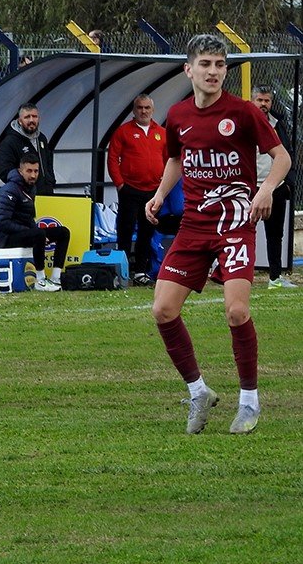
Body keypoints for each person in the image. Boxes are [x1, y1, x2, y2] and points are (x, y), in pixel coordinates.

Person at [145, 34, 290, 436]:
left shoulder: (243, 112)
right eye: (205, 64)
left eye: (220, 65)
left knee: (236, 311)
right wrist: (159, 194)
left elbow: (282, 157)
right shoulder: (177, 115)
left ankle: (249, 401)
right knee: (162, 310)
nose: (213, 72)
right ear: (188, 69)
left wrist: (264, 190)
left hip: (234, 223)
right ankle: (198, 392)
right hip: (194, 225)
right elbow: (176, 157)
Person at [107, 94, 166, 285]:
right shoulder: (123, 131)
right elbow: (112, 158)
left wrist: (163, 184)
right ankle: (122, 270)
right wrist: (120, 183)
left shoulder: (161, 132)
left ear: (152, 110)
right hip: (130, 189)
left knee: (147, 232)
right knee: (125, 230)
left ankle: (141, 272)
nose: (143, 111)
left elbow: (169, 159)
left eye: (147, 108)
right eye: (140, 107)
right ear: (134, 110)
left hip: (153, 191)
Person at [0, 152, 69, 293]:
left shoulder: (30, 188)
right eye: (29, 171)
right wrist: (33, 233)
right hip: (4, 237)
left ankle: (56, 277)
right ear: (20, 171)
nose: (33, 175)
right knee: (38, 234)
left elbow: (29, 217)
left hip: (21, 232)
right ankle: (40, 280)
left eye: (36, 171)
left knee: (63, 232)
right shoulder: (9, 190)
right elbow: (3, 223)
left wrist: (36, 232)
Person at [252, 86, 295, 288]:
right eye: (259, 100)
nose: (263, 104)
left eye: (267, 100)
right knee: (242, 232)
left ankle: (275, 278)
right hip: (251, 188)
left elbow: (287, 154)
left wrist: (288, 183)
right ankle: (239, 275)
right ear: (252, 100)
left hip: (275, 188)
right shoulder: (243, 124)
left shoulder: (278, 124)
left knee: (275, 234)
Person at [0, 103, 56, 195]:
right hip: (23, 195)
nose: (31, 120)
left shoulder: (42, 138)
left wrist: (50, 180)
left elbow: (48, 163)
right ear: (19, 121)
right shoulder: (9, 142)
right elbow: (5, 172)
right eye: (27, 117)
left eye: (34, 116)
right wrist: (24, 184)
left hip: (46, 193)